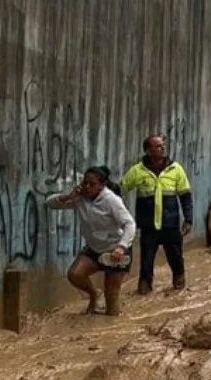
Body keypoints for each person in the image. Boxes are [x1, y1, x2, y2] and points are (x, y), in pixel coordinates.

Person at [46, 166, 136, 316]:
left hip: (116, 251)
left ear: (101, 185)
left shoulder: (111, 200)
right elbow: (50, 203)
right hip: (94, 249)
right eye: (85, 183)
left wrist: (121, 247)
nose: (87, 187)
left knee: (112, 306)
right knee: (74, 274)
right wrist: (68, 196)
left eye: (92, 184)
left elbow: (129, 224)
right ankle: (94, 295)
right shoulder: (79, 198)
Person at [121, 134, 194, 295]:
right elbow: (121, 188)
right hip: (148, 226)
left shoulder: (176, 169)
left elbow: (185, 196)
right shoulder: (137, 171)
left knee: (176, 257)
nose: (163, 148)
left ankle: (179, 281)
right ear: (148, 151)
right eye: (158, 146)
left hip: (170, 224)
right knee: (146, 261)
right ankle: (144, 287)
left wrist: (188, 219)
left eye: (163, 146)